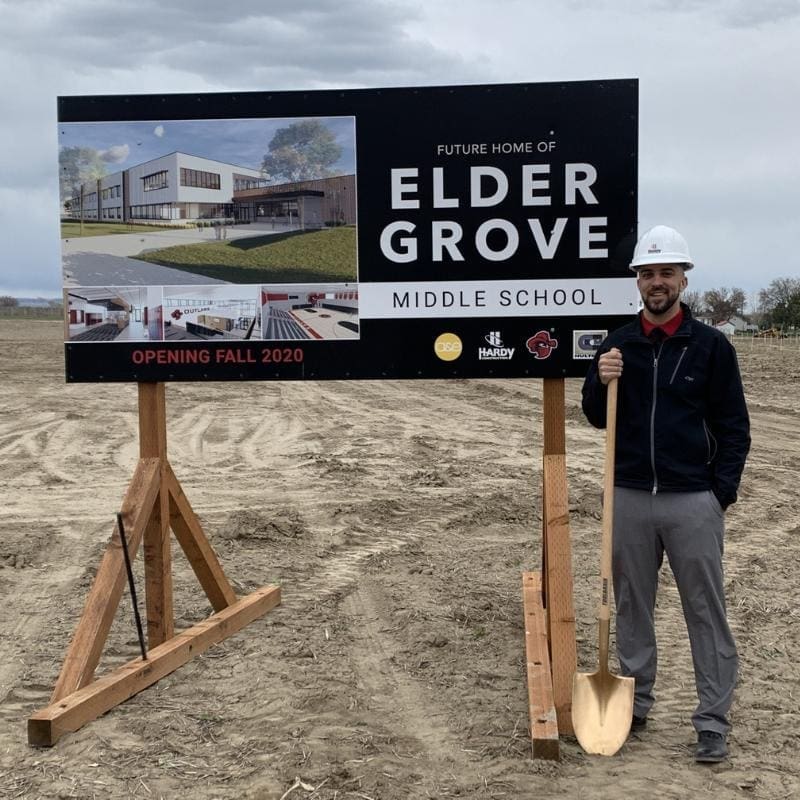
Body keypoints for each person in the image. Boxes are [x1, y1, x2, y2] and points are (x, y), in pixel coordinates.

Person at [581, 225, 750, 763]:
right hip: (627, 494)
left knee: (706, 611)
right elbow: (593, 415)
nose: (657, 282)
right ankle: (636, 703)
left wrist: (717, 494)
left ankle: (712, 721)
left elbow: (734, 427)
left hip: (691, 500)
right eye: (648, 273)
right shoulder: (619, 342)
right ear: (637, 279)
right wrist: (597, 377)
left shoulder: (710, 347)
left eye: (666, 273)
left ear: (683, 278)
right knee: (632, 608)